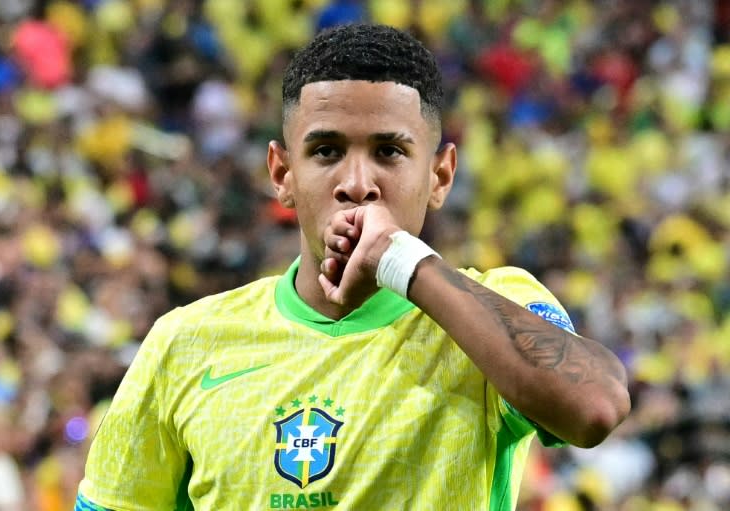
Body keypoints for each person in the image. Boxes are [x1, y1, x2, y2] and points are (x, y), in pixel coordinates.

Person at [74, 23, 630, 510]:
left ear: (440, 176)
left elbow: (595, 408)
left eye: (389, 151)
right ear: (281, 173)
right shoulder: (185, 342)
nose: (357, 184)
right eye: (325, 151)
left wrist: (407, 264)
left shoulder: (487, 310)